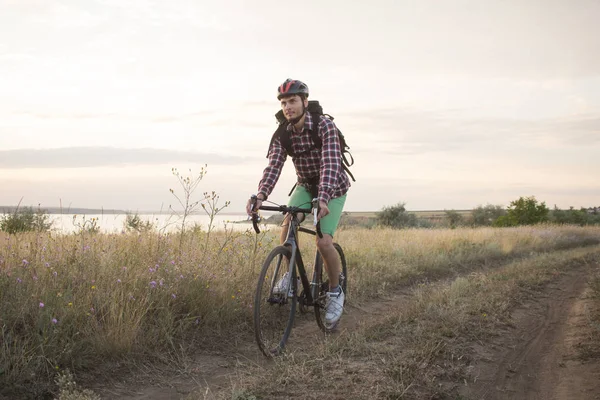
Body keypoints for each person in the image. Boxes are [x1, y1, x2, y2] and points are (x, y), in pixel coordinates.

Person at [246, 78, 351, 325]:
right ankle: (290, 278)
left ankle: (336, 292)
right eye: (283, 103)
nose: (287, 107)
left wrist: (323, 198)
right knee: (287, 229)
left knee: (324, 242)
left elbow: (331, 165)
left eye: (292, 101)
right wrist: (260, 195)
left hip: (333, 188)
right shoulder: (282, 133)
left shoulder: (324, 126)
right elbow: (273, 166)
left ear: (304, 101)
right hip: (305, 186)